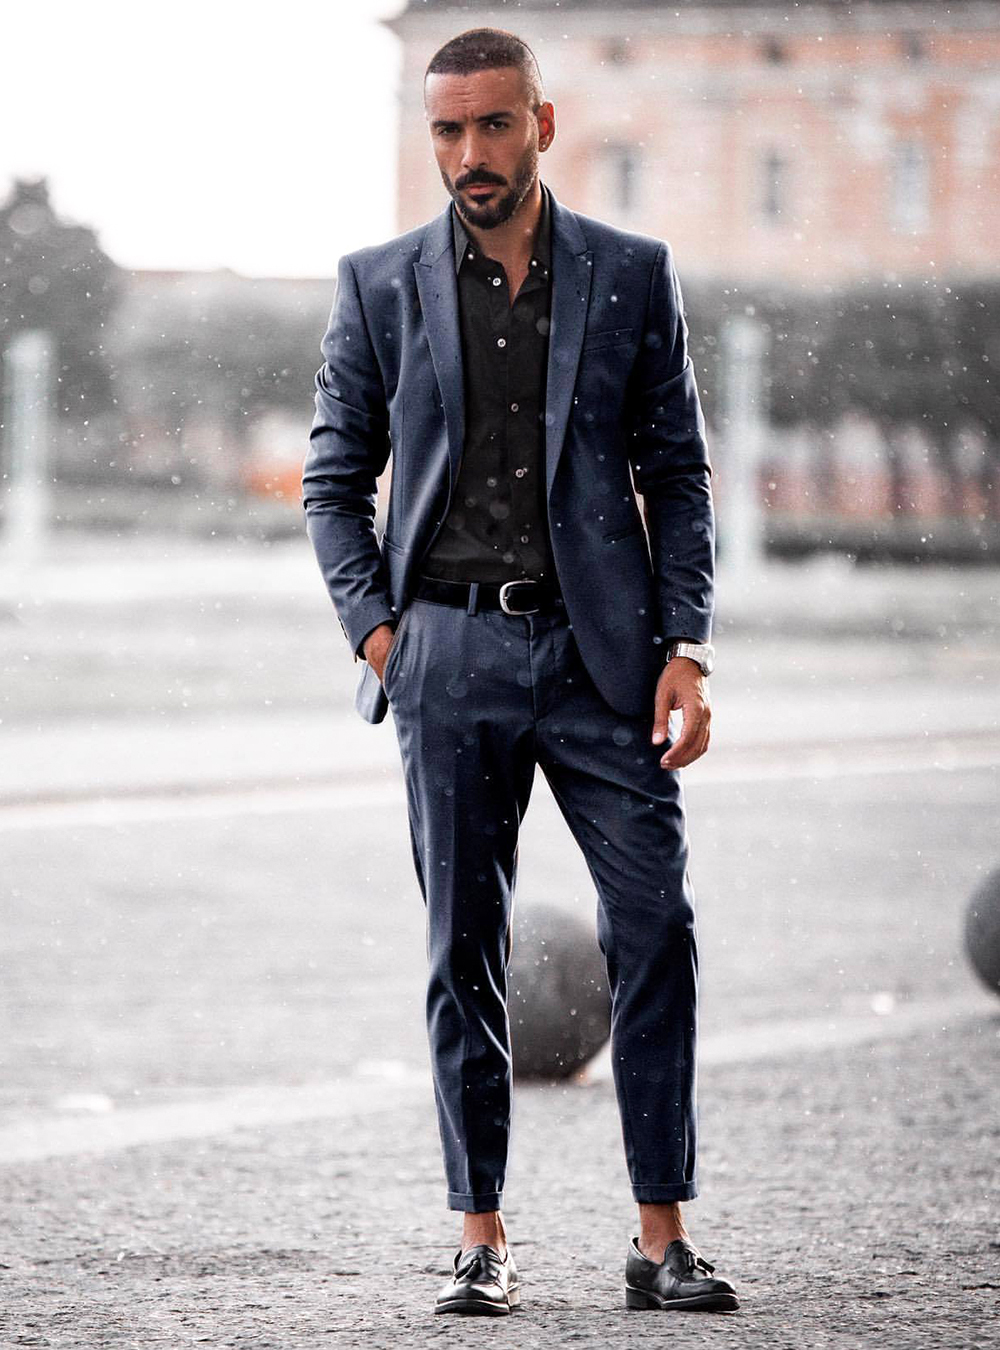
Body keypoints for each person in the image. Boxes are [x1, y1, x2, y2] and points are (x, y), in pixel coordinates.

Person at [302, 25, 739, 1318]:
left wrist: (687, 647)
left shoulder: (630, 274)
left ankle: (661, 1238)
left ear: (545, 124)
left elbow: (679, 477)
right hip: (446, 655)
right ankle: (480, 1234)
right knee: (462, 952)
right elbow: (334, 482)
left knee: (657, 926)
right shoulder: (377, 283)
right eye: (448, 131)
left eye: (495, 126)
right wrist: (384, 636)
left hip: (603, 664)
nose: (471, 154)